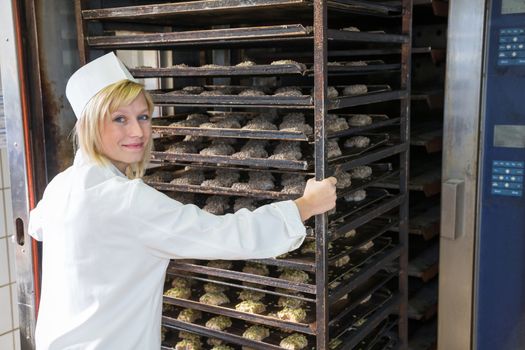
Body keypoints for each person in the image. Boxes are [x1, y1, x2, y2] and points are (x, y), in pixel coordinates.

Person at [28, 52, 337, 349]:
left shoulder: (61, 187)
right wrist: (305, 205)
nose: (137, 131)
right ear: (91, 125)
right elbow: (226, 235)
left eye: (143, 116)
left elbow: (36, 225)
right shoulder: (126, 201)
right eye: (119, 119)